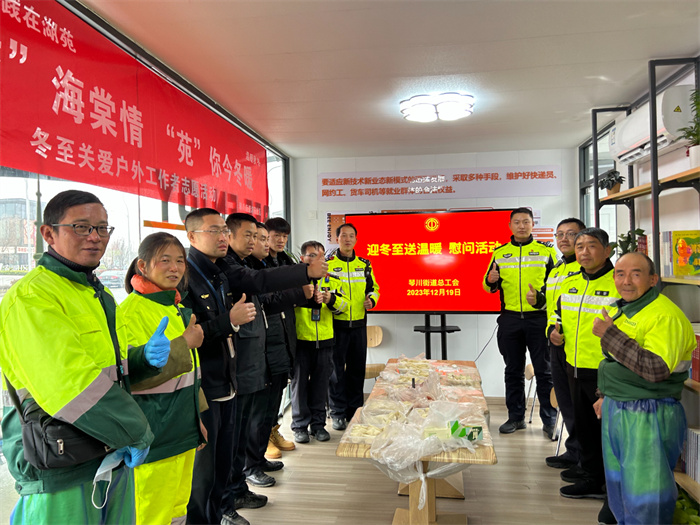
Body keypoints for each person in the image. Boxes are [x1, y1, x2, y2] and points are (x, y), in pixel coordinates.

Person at [0, 190, 158, 525]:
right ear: (49, 233)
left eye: (102, 228)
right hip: (60, 462)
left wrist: (143, 360)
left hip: (107, 450)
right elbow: (70, 385)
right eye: (81, 227)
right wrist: (135, 431)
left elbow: (107, 369)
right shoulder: (33, 297)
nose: (95, 237)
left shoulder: (95, 293)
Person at [592, 252, 695, 524]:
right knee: (620, 491)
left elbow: (655, 369)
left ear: (653, 279)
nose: (626, 281)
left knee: (646, 498)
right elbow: (616, 359)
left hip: (649, 412)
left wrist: (609, 334)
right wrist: (605, 395)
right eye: (620, 274)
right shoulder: (626, 308)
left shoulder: (665, 316)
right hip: (619, 406)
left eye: (635, 274)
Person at [119, 232, 206, 525]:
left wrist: (197, 420)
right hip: (154, 436)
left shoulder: (173, 306)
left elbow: (188, 375)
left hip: (182, 429)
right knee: (151, 514)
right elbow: (132, 376)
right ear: (142, 266)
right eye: (165, 260)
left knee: (178, 509)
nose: (174, 268)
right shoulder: (129, 312)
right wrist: (184, 343)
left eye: (180, 261)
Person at [183, 208, 257, 525]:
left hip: (228, 382)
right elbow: (191, 336)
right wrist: (230, 321)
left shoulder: (219, 273)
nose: (223, 237)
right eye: (214, 230)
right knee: (203, 475)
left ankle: (219, 515)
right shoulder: (186, 278)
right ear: (191, 236)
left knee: (222, 467)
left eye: (224, 230)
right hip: (205, 388)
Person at [551, 227, 620, 502]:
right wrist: (553, 331)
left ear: (607, 250)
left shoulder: (619, 283)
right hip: (574, 364)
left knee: (606, 430)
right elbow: (557, 315)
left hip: (604, 368)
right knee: (583, 425)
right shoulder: (570, 282)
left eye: (591, 246)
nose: (584, 252)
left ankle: (607, 483)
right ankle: (590, 474)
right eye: (580, 247)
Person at [483, 207, 557, 437]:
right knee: (513, 371)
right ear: (510, 226)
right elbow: (488, 286)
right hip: (510, 319)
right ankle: (515, 418)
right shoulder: (499, 253)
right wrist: (490, 280)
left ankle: (549, 420)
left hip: (539, 319)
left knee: (545, 372)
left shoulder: (546, 252)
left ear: (533, 225)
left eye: (526, 222)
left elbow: (556, 285)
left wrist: (541, 300)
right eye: (517, 222)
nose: (522, 226)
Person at [245, 223, 308, 468]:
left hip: (282, 338)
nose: (278, 240)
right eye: (261, 237)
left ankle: (267, 440)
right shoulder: (250, 270)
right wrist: (300, 292)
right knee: (259, 407)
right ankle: (254, 459)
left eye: (284, 236)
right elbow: (270, 302)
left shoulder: (281, 262)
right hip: (264, 343)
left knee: (275, 395)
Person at [527, 218, 586, 468]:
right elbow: (553, 306)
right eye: (559, 234)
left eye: (570, 234)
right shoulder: (557, 269)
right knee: (565, 400)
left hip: (579, 346)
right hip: (555, 342)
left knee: (580, 404)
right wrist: (537, 300)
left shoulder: (586, 269)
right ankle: (574, 451)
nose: (564, 239)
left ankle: (586, 459)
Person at [292, 241, 348, 443]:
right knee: (299, 386)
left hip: (325, 342)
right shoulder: (294, 281)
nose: (318, 259)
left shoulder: (332, 280)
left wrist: (330, 299)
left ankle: (318, 426)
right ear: (302, 259)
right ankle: (299, 426)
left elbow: (344, 307)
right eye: (312, 255)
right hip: (301, 341)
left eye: (321, 256)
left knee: (320, 385)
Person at [327, 223, 380, 430]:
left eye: (351, 236)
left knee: (357, 370)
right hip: (336, 325)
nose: (347, 239)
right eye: (344, 236)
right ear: (337, 239)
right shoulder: (329, 265)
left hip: (359, 325)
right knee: (336, 372)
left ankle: (355, 410)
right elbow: (325, 291)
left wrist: (372, 300)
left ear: (356, 240)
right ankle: (338, 412)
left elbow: (374, 288)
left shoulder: (364, 264)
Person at [264, 217, 301, 455]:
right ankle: (263, 437)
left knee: (278, 388)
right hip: (269, 334)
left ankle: (273, 430)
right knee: (267, 392)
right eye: (276, 235)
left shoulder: (286, 261)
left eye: (284, 236)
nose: (280, 240)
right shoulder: (260, 264)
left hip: (286, 331)